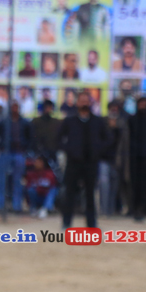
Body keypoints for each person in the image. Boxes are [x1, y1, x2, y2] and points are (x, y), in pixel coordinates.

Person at [57, 91, 109, 228]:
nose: (84, 103)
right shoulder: (70, 121)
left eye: (87, 101)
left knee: (90, 194)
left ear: (90, 103)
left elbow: (107, 139)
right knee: (70, 193)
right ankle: (66, 222)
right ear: (77, 103)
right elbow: (58, 139)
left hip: (91, 163)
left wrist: (98, 150)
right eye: (82, 101)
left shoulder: (97, 121)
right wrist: (69, 149)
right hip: (73, 162)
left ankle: (91, 224)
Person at [0, 102, 31, 212]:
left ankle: (16, 205)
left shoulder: (24, 122)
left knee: (17, 180)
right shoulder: (3, 121)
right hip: (5, 153)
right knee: (1, 179)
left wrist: (25, 147)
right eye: (13, 107)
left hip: (19, 152)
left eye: (16, 107)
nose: (14, 109)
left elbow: (30, 137)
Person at [99, 100, 131, 217]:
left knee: (115, 186)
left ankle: (111, 210)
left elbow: (124, 143)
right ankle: (104, 210)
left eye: (116, 107)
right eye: (112, 107)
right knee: (104, 184)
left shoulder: (122, 124)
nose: (114, 110)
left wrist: (116, 129)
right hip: (103, 159)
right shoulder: (102, 122)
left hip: (117, 159)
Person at [30, 100, 61, 167]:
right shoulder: (36, 121)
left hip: (52, 152)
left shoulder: (56, 123)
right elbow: (32, 137)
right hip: (38, 154)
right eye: (46, 107)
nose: (48, 110)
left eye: (50, 107)